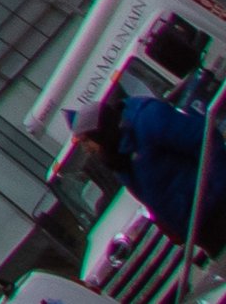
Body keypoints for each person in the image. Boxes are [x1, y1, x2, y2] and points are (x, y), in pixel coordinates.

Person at [84, 91, 226, 252]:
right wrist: (174, 229)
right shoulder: (117, 160)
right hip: (199, 228)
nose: (87, 149)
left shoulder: (148, 119)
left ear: (99, 133)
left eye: (86, 140)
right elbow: (152, 199)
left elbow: (205, 139)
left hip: (217, 206)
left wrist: (218, 190)